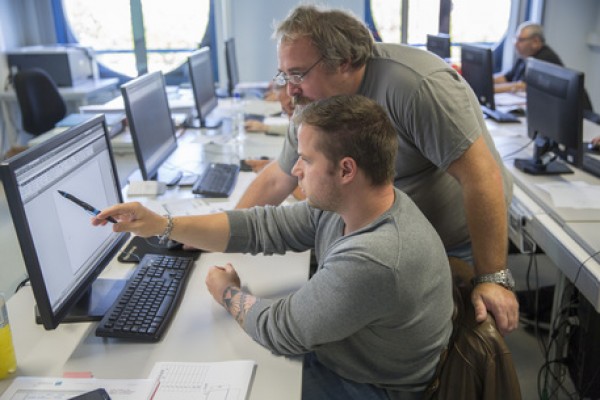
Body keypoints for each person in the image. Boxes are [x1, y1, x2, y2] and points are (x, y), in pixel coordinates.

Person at [93, 95, 454, 400]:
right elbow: (264, 226)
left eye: (307, 159)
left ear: (346, 170)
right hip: (360, 356)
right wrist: (162, 224)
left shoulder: (376, 258)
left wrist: (227, 293)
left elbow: (280, 329)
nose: (295, 169)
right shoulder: (360, 201)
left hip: (374, 386)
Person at [235, 5, 518, 334]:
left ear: (343, 62)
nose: (290, 90)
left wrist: (492, 278)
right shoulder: (314, 102)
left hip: (456, 237)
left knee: (445, 351)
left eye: (298, 74)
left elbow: (481, 176)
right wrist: (225, 237)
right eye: (285, 76)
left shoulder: (415, 87)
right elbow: (277, 178)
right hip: (384, 239)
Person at [494, 22, 563, 94]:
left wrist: (490, 88)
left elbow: (522, 86)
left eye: (520, 40)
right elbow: (506, 78)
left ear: (535, 42)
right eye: (515, 39)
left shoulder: (545, 59)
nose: (516, 43)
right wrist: (486, 80)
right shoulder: (525, 55)